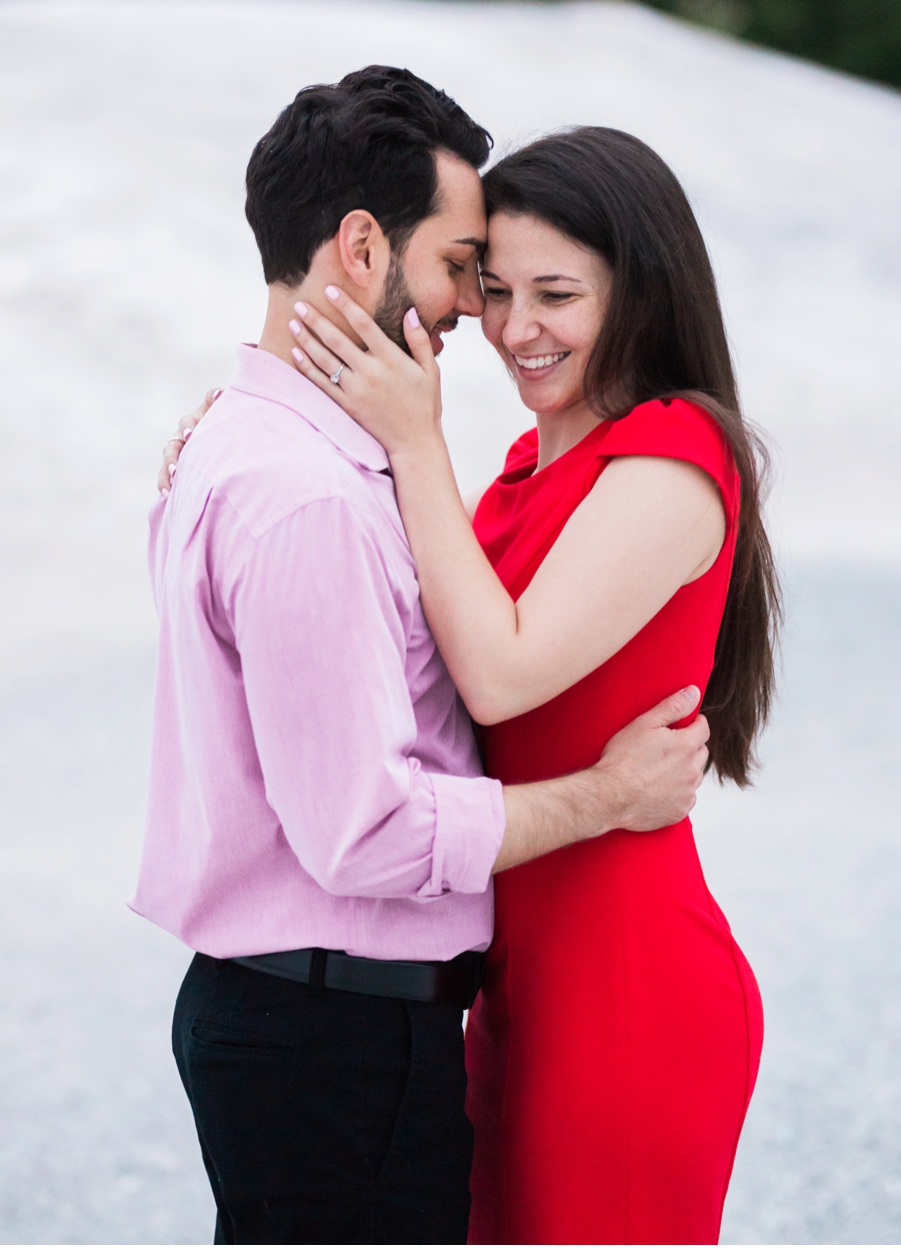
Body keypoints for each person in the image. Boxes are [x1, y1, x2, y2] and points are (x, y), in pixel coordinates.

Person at [135, 66, 712, 1244]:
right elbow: (370, 830)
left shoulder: (273, 453)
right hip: (334, 1031)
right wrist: (607, 795)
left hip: (339, 1020)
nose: (478, 316)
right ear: (360, 248)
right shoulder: (312, 496)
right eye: (466, 270)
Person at [261, 124, 776, 1244]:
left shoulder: (672, 460)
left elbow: (496, 676)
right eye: (492, 290)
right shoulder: (520, 469)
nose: (512, 330)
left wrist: (414, 441)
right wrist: (242, 432)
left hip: (623, 989)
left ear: (640, 288)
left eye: (557, 294)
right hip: (512, 986)